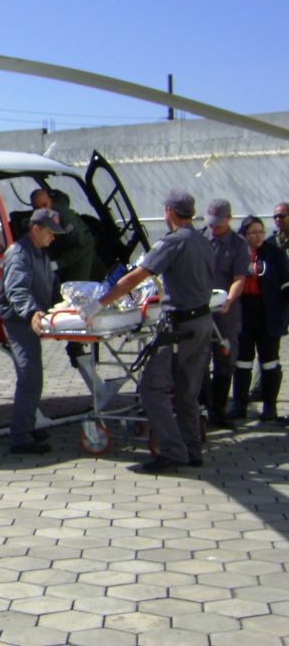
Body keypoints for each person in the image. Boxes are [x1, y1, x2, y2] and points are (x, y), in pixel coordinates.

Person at [78, 189, 215, 473]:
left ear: (169, 211)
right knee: (187, 392)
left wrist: (99, 304)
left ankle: (172, 452)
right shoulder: (203, 241)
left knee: (152, 388)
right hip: (202, 322)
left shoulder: (172, 241)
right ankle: (192, 451)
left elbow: (136, 276)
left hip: (181, 328)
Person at [0, 207, 66, 455]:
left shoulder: (39, 252)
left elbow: (51, 284)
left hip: (31, 318)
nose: (53, 237)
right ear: (35, 229)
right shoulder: (18, 254)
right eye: (50, 232)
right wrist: (31, 312)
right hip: (20, 321)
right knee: (30, 377)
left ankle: (27, 426)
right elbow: (17, 291)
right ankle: (20, 438)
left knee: (33, 377)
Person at [229, 216, 289, 422]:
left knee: (270, 363)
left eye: (261, 231)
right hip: (243, 315)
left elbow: (285, 283)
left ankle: (270, 408)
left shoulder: (275, 254)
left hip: (268, 315)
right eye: (253, 232)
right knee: (242, 362)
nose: (258, 236)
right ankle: (239, 405)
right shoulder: (237, 254)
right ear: (244, 235)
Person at [31, 188, 97, 367]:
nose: (42, 209)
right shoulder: (38, 218)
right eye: (37, 207)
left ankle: (76, 345)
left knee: (77, 296)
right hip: (62, 254)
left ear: (50, 202)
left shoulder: (64, 217)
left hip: (80, 255)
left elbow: (81, 245)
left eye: (45, 205)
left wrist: (59, 263)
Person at [200, 199, 249, 430]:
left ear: (229, 218)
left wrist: (229, 300)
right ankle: (201, 409)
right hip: (200, 308)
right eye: (211, 221)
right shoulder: (199, 238)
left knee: (225, 359)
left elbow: (239, 279)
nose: (214, 226)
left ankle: (218, 411)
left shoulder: (238, 245)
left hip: (224, 310)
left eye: (218, 222)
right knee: (199, 359)